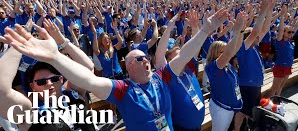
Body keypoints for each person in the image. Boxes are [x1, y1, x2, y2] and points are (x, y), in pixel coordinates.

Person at [3, 9, 228, 131]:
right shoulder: (123, 89)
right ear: (130, 66)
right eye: (140, 58)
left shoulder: (161, 76)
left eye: (146, 58)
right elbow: (90, 80)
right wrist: (55, 55)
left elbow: (185, 55)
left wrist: (204, 31)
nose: (147, 60)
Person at [156, 10, 204, 131]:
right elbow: (159, 56)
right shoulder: (166, 75)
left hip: (197, 125)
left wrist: (195, 27)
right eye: (176, 57)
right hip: (181, 127)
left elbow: (196, 47)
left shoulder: (189, 68)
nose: (181, 59)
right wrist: (169, 28)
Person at [233, 0, 276, 131]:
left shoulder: (254, 47)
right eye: (255, 36)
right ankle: (236, 128)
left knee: (249, 108)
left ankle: (244, 126)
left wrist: (269, 11)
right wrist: (262, 11)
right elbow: (257, 30)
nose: (259, 37)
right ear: (248, 37)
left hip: (255, 84)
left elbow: (264, 29)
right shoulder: (243, 47)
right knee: (244, 109)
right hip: (248, 84)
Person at [205, 12, 246, 131]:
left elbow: (235, 47)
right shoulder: (212, 67)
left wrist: (241, 31)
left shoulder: (227, 63)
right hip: (221, 108)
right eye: (221, 52)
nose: (226, 54)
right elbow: (229, 52)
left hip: (229, 106)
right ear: (215, 53)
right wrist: (236, 31)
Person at [269, 4, 298, 96]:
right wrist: (282, 16)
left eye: (292, 32)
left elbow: (296, 26)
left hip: (288, 66)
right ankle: (268, 102)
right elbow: (282, 28)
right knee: (275, 86)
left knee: (281, 86)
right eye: (289, 32)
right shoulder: (280, 41)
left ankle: (277, 99)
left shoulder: (290, 41)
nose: (291, 33)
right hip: (280, 66)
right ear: (283, 33)